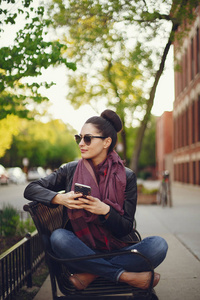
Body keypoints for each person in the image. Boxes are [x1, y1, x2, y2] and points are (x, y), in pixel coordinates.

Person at [24, 109, 168, 290]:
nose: (81, 144)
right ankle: (125, 276)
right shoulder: (70, 170)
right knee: (59, 237)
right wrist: (60, 198)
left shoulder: (127, 176)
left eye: (88, 138)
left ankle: (91, 273)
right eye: (79, 138)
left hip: (114, 248)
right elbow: (31, 189)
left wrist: (105, 211)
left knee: (158, 245)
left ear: (107, 142)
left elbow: (125, 227)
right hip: (79, 249)